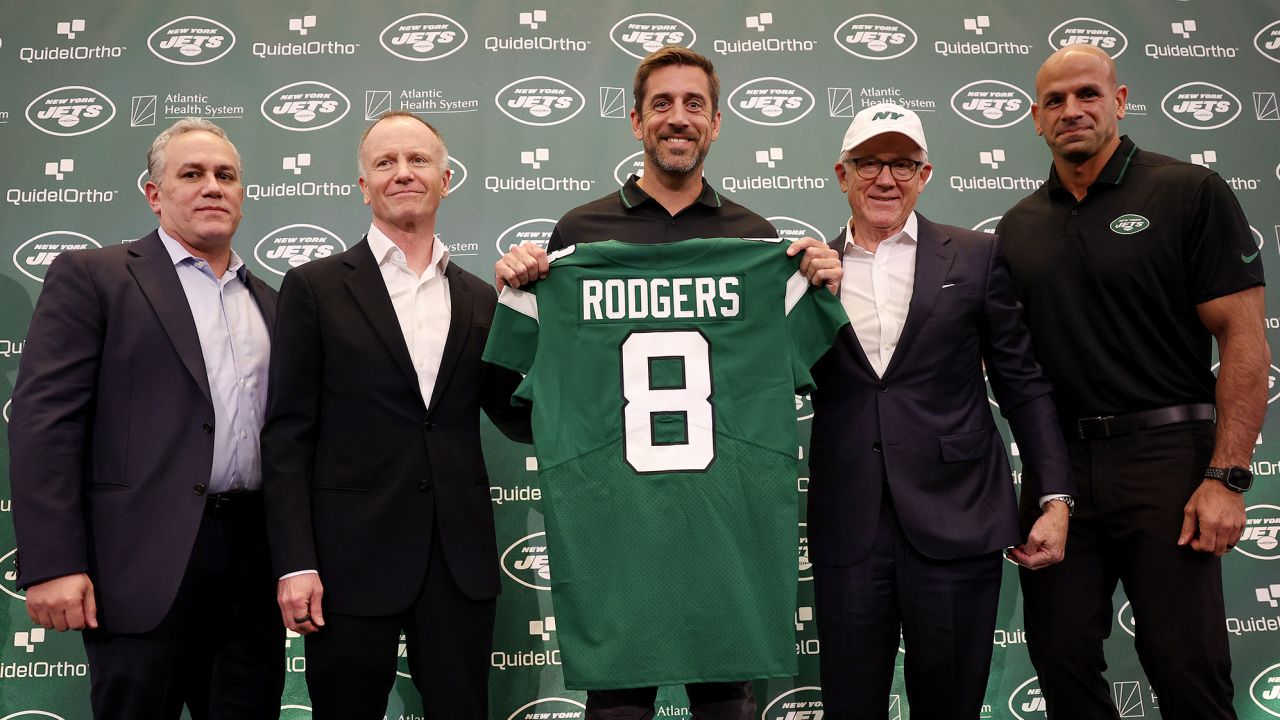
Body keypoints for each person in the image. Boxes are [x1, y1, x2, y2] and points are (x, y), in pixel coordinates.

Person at [493, 46, 841, 720]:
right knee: (618, 704)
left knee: (727, 701)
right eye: (661, 104)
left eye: (693, 105)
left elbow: (811, 376)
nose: (677, 118)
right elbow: (512, 388)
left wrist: (818, 283)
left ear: (715, 124)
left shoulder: (757, 243)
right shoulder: (578, 236)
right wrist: (519, 283)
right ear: (635, 121)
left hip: (724, 534)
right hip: (614, 537)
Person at [997, 45, 1269, 719]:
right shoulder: (1017, 228)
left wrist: (1228, 476)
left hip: (1168, 462)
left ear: (1119, 102)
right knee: (1061, 664)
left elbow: (1243, 337)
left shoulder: (1187, 192)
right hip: (1061, 472)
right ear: (1035, 119)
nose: (1072, 111)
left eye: (1088, 94)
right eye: (1055, 101)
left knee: (1187, 668)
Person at [806, 103, 1075, 719]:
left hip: (958, 520)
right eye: (869, 163)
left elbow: (1023, 384)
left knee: (951, 705)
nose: (885, 179)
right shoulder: (805, 270)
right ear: (841, 174)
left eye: (902, 164)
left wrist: (1055, 498)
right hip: (850, 528)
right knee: (850, 707)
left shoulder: (977, 256)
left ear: (925, 175)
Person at [261, 111, 531, 720]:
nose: (403, 173)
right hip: (347, 563)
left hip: (458, 565)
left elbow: (518, 413)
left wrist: (535, 311)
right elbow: (286, 437)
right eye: (385, 163)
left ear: (446, 178)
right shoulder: (314, 287)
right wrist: (296, 561)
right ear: (363, 186)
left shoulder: (480, 296)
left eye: (418, 161)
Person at [9, 118, 282, 719]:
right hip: (138, 568)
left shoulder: (272, 300)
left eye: (226, 175)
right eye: (192, 174)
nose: (212, 186)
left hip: (254, 569)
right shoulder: (94, 277)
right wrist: (54, 563)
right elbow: (44, 426)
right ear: (154, 194)